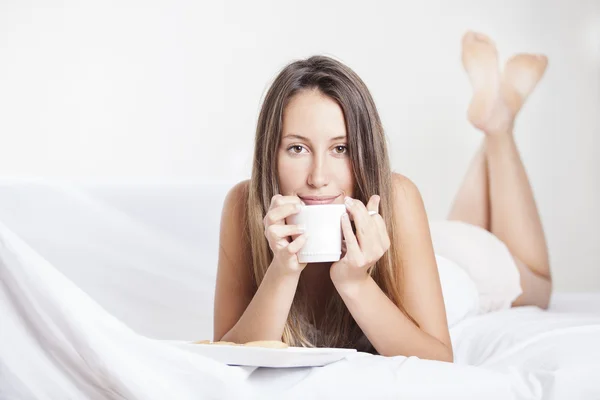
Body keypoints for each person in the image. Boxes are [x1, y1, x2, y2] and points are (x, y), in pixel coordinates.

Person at [212, 31, 551, 362]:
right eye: (297, 148)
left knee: (539, 286)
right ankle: (495, 119)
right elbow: (227, 355)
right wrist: (283, 271)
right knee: (458, 226)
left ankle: (499, 128)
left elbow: (438, 359)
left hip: (460, 263)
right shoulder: (244, 204)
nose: (318, 178)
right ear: (270, 153)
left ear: (364, 152)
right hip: (420, 244)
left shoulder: (398, 197)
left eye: (340, 149)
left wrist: (355, 283)